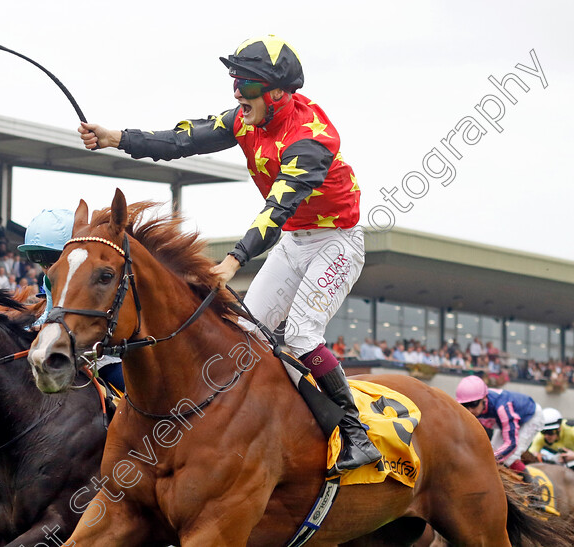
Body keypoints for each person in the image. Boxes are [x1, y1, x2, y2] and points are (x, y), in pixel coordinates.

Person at [77, 35, 379, 473]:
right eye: (235, 83)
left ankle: (355, 432)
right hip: (295, 240)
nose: (238, 94)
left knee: (299, 334)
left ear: (277, 93)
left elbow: (279, 205)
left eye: (247, 86)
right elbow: (181, 140)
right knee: (245, 333)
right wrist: (116, 137)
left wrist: (235, 259)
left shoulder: (313, 139)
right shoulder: (244, 119)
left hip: (336, 242)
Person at [18, 209, 125, 393]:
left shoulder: (88, 276)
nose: (45, 266)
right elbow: (50, 312)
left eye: (51, 258)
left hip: (105, 356)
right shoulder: (48, 279)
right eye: (36, 257)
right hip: (73, 349)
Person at [455, 375, 543, 478]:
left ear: (484, 398)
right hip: (506, 420)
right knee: (492, 450)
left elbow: (511, 444)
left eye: (473, 404)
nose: (469, 410)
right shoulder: (480, 404)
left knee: (510, 456)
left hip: (531, 417)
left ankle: (532, 487)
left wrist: (488, 461)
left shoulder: (502, 407)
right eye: (464, 405)